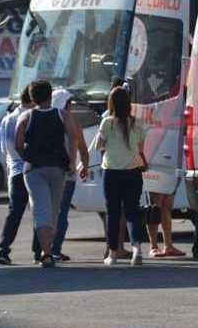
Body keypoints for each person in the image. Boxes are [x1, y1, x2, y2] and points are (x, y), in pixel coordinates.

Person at [15, 80, 87, 268]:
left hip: (33, 169)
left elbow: (17, 143)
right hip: (57, 168)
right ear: (50, 96)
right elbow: (73, 138)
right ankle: (49, 250)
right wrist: (72, 161)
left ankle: (45, 253)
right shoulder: (62, 115)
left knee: (40, 209)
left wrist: (27, 156)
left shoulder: (26, 117)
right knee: (54, 210)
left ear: (32, 98)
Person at [94, 86, 148, 266]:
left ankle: (113, 254)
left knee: (113, 213)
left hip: (112, 172)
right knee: (133, 211)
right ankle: (137, 250)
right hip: (133, 171)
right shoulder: (138, 123)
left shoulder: (107, 123)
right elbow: (140, 148)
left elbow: (99, 146)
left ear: (112, 103)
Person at [0, 86, 40, 265]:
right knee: (40, 211)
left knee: (14, 213)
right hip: (33, 169)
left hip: (14, 170)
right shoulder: (31, 117)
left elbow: (4, 149)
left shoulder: (7, 119)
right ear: (32, 100)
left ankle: (3, 250)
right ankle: (39, 251)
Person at [49, 89, 90, 262]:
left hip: (45, 172)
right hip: (67, 174)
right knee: (61, 212)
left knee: (47, 212)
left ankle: (43, 249)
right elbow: (82, 148)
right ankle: (55, 249)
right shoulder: (72, 121)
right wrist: (85, 166)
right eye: (70, 103)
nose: (72, 106)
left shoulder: (42, 119)